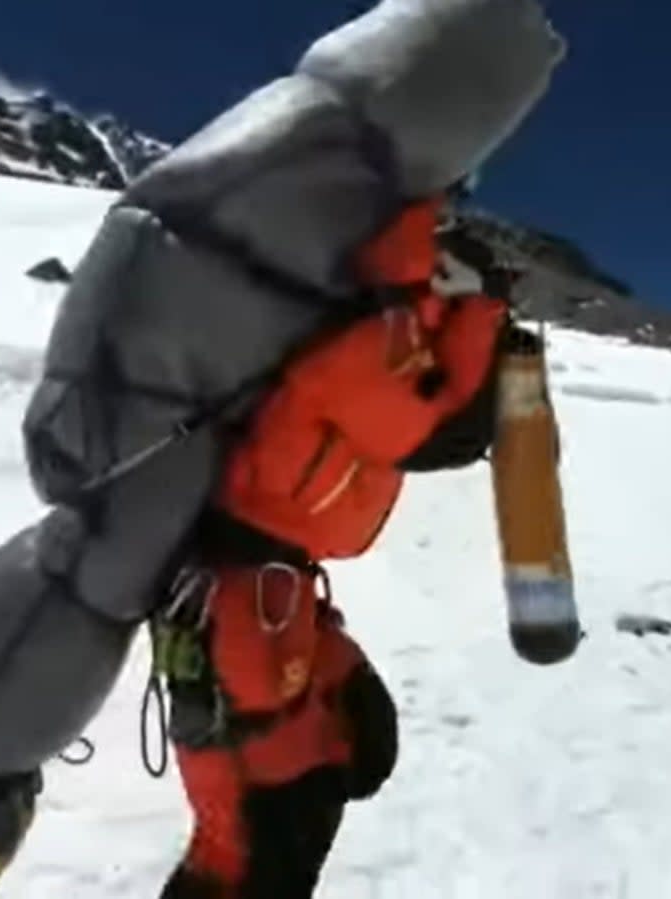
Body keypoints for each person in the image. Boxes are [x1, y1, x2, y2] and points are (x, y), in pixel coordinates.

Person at [0, 2, 566, 894]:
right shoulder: (344, 232)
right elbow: (422, 418)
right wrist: (473, 310)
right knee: (256, 834)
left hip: (230, 541)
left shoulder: (294, 180)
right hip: (233, 572)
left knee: (304, 749)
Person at [155, 195, 519, 897]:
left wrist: (343, 671)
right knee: (250, 843)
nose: (456, 225)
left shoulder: (379, 310)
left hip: (276, 585)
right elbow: (444, 432)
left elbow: (443, 394)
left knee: (294, 815)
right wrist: (481, 309)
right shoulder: (348, 320)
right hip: (234, 593)